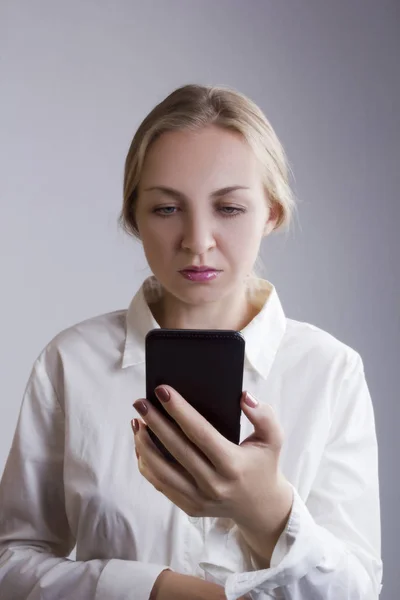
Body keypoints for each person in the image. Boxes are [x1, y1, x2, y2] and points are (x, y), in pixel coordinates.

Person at [0, 84, 382, 600]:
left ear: (271, 211)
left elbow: (358, 591)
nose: (197, 240)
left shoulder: (330, 371)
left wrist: (267, 511)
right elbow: (10, 561)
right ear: (134, 214)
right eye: (165, 209)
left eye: (228, 208)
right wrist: (153, 591)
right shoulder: (71, 362)